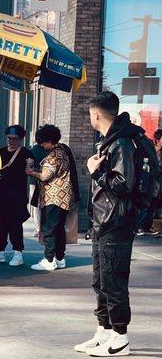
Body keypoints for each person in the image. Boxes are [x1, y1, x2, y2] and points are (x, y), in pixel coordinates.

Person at [75, 91, 142, 357]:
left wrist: (96, 171)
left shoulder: (122, 144)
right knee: (100, 280)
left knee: (114, 281)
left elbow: (122, 186)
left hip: (117, 222)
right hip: (103, 221)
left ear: (96, 114)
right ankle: (105, 330)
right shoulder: (109, 141)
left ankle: (121, 338)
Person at [26, 125, 74, 271]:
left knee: (49, 229)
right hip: (64, 197)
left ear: (48, 140)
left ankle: (49, 260)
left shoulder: (54, 155)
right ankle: (60, 258)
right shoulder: (64, 150)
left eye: (42, 142)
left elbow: (45, 176)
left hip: (53, 196)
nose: (41, 145)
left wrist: (31, 172)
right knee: (59, 229)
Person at [0, 125, 33, 266]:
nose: (11, 141)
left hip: (16, 196)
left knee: (15, 225)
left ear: (21, 139)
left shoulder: (26, 153)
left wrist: (30, 167)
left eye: (15, 139)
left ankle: (18, 253)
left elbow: (30, 169)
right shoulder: (0, 152)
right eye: (9, 138)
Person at [137, 129, 162, 236]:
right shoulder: (150, 148)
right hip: (149, 178)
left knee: (154, 203)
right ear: (158, 139)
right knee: (145, 202)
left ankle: (147, 226)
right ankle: (140, 226)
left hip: (158, 180)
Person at [28, 128, 50, 237]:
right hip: (49, 182)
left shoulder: (33, 150)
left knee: (36, 206)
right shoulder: (51, 150)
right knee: (46, 205)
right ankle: (45, 228)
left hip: (34, 181)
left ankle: (38, 229)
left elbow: (29, 166)